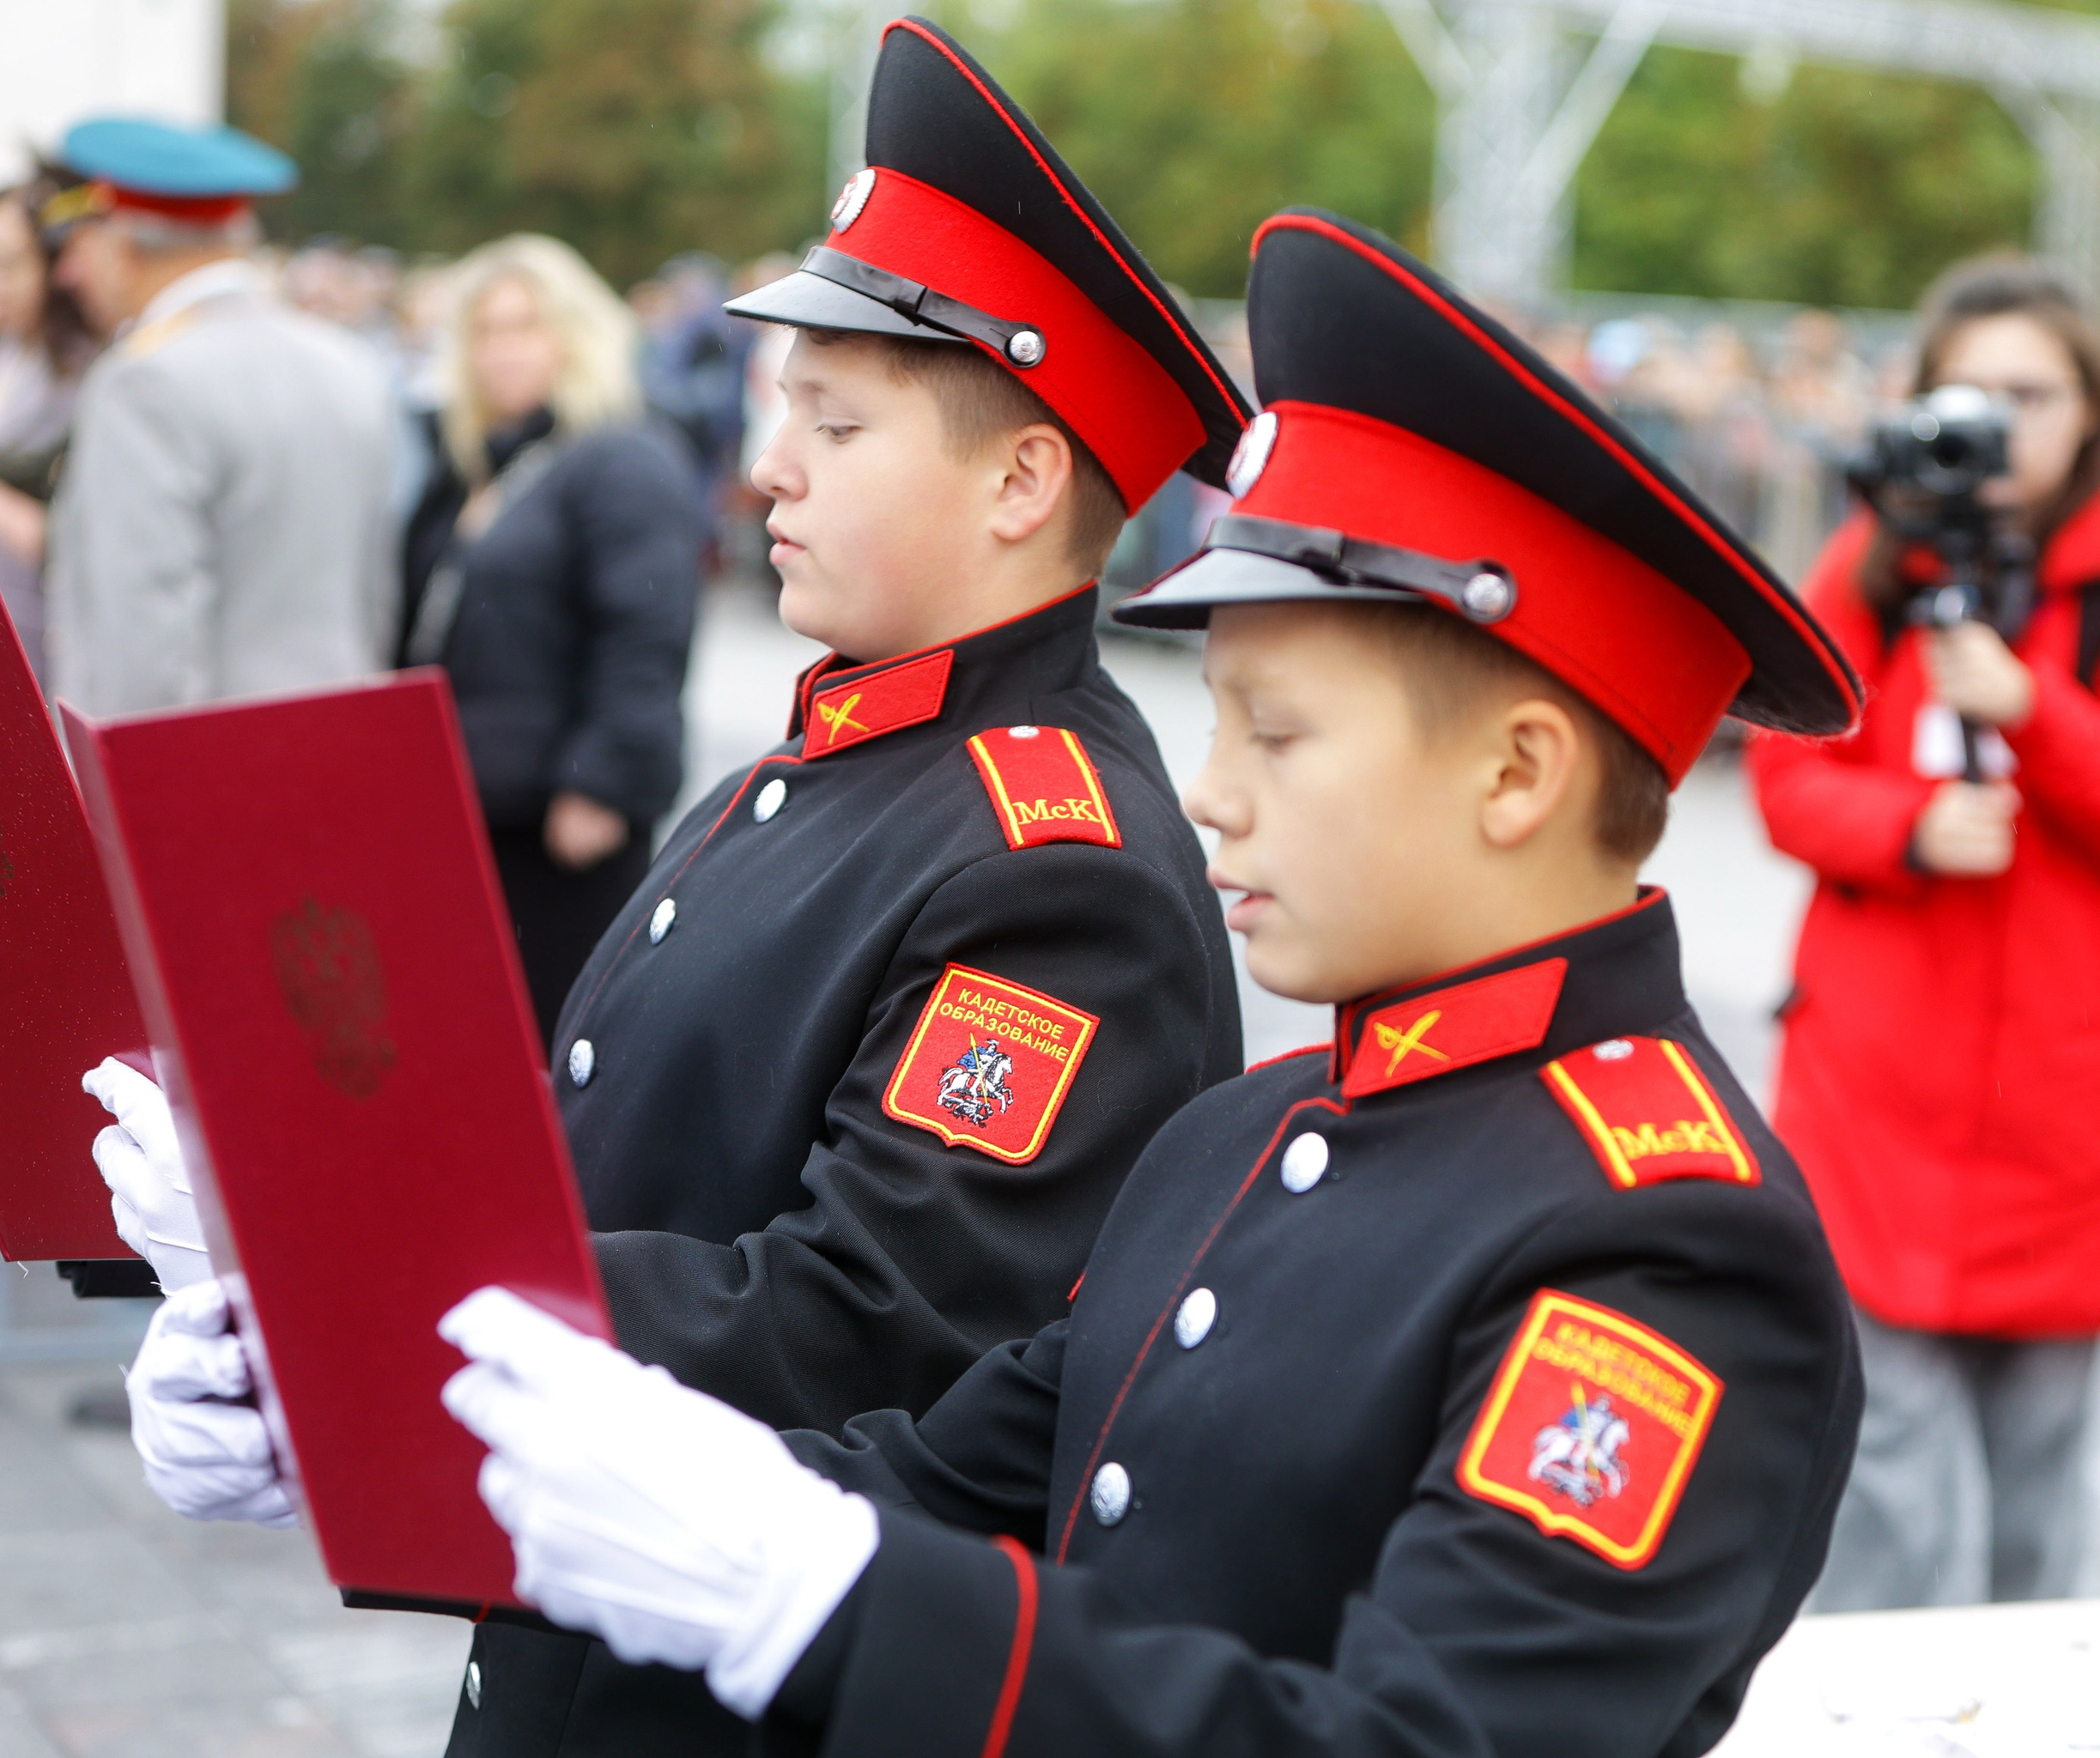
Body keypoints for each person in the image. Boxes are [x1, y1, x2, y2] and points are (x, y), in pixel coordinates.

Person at [420, 209, 1866, 1754]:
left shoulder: (1669, 1244)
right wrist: (490, 1428)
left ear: (1518, 772)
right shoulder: (1242, 1137)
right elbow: (943, 1478)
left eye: (1280, 732)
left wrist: (823, 1594)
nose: (1214, 793)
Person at [88, 20, 1251, 1756]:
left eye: (832, 421)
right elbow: (608, 1162)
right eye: (783, 405)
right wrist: (305, 1259)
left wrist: (373, 1294)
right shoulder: (832, 757)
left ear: (1021, 481)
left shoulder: (1053, 860)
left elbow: (858, 1317)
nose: (767, 462)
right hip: (576, 1646)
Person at [1746, 255, 2100, 1611]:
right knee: (1876, 1464)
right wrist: (1905, 826)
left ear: (2089, 413)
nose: (2001, 422)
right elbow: (1787, 778)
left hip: (2066, 1117)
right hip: (1880, 1102)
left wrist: (2032, 708)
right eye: (1974, 390)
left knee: (2037, 1487)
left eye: (2032, 392)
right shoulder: (1866, 568)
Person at [401, 233, 702, 1044]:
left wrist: (603, 784)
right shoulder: (476, 462)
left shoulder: (621, 456)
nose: (502, 349)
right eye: (485, 330)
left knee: (544, 1053)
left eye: (526, 325)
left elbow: (647, 631)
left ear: (576, 333)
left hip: (561, 828)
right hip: (462, 816)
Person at [40, 118, 397, 714]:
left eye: (77, 245)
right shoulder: (347, 361)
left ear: (121, 245)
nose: (67, 274)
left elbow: (144, 647)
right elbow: (371, 600)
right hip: (334, 751)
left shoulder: (144, 382)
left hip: (203, 775)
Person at [0, 173, 98, 682]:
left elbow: (79, 541)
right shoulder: (13, 359)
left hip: (47, 632)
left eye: (11, 265)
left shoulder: (89, 378)